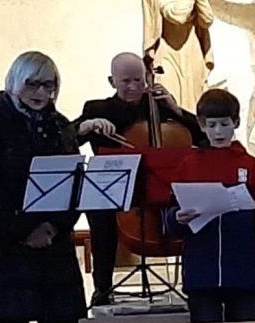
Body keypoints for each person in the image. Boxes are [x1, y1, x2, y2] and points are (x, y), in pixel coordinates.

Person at [74, 52, 207, 306]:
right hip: (116, 189)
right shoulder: (98, 109)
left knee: (196, 209)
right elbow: (68, 136)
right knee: (99, 211)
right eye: (126, 82)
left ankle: (194, 283)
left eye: (139, 80)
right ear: (112, 81)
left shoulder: (161, 106)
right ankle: (103, 287)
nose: (134, 87)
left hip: (162, 187)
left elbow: (203, 137)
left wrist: (176, 109)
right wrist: (87, 125)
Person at [0, 51, 86, 323]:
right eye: (32, 84)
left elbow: (76, 182)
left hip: (55, 246)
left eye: (49, 85)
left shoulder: (59, 125)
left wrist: (52, 228)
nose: (41, 92)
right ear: (14, 82)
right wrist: (24, 230)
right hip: (10, 247)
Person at [165, 89, 255, 323]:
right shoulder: (189, 166)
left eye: (224, 124)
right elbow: (171, 214)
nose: (218, 131)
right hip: (201, 269)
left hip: (243, 268)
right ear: (201, 125)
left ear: (235, 123)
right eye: (212, 124)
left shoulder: (252, 167)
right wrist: (178, 218)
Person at [143, 0, 214, 111]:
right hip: (167, 54)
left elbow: (207, 19)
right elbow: (177, 15)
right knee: (170, 102)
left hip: (192, 54)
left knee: (196, 104)